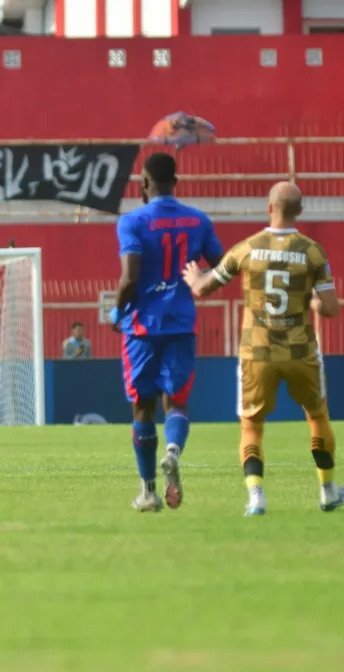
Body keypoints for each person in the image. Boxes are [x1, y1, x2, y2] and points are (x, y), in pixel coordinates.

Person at [183, 181, 344, 515]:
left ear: (269, 207)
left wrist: (193, 275)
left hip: (257, 353)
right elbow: (330, 308)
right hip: (300, 351)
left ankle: (256, 496)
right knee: (316, 416)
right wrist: (312, 302)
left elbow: (202, 288)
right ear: (300, 211)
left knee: (252, 426)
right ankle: (328, 490)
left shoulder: (247, 248)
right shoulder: (312, 251)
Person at [113, 152, 224, 512]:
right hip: (180, 322)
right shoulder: (198, 220)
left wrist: (117, 309)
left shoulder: (132, 221)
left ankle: (148, 491)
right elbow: (223, 266)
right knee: (176, 402)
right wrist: (199, 284)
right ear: (175, 182)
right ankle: (173, 452)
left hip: (142, 328)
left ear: (144, 184)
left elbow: (130, 277)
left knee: (142, 407)